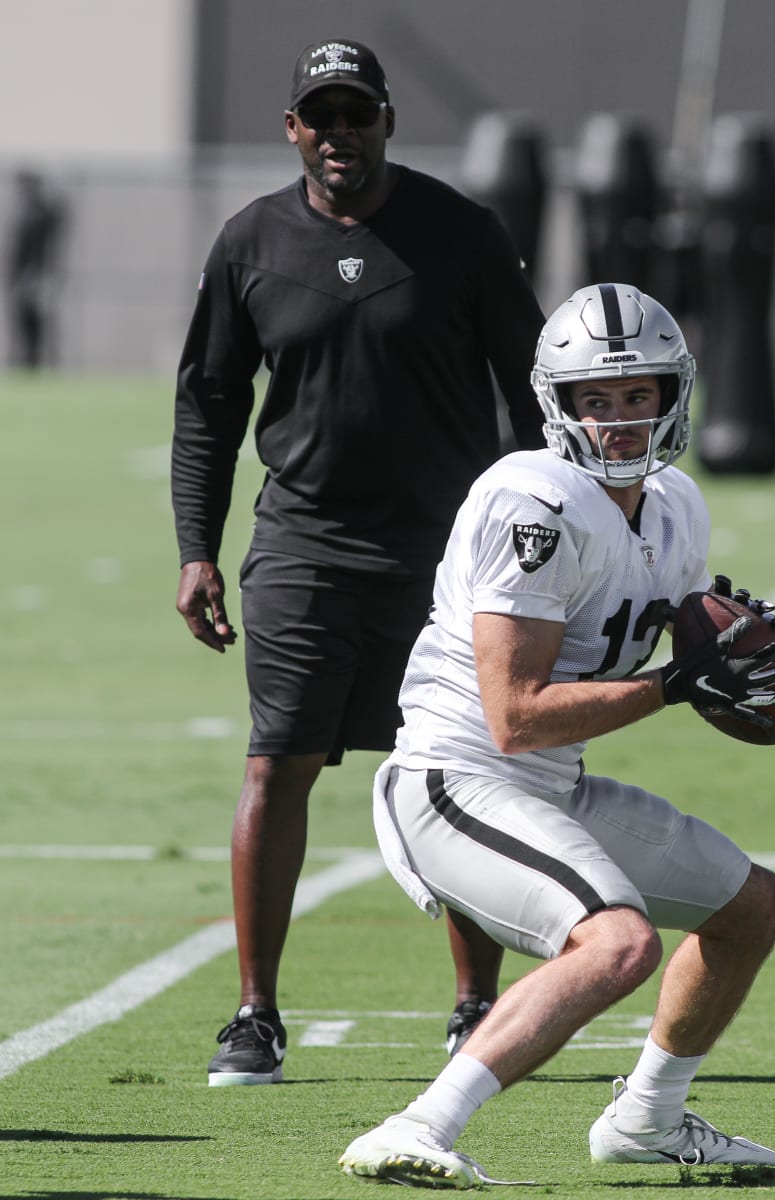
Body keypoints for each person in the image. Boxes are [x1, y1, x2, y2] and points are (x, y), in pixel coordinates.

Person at [339, 283, 775, 1186]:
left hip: (551, 782)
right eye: (597, 400)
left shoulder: (675, 506)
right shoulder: (533, 502)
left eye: (638, 397)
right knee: (618, 943)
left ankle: (648, 1119)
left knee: (751, 907)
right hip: (453, 780)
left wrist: (727, 645)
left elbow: (693, 667)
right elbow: (514, 717)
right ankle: (420, 1122)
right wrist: (674, 683)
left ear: (672, 395)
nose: (620, 422)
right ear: (560, 403)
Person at [171, 38, 545, 1087]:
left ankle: (476, 1004)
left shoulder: (462, 234)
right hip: (303, 545)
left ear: (387, 121)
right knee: (275, 762)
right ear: (292, 128)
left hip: (447, 553)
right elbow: (207, 406)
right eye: (318, 116)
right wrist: (197, 548)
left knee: (461, 766)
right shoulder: (250, 242)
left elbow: (531, 394)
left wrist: (537, 533)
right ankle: (255, 1014)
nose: (339, 134)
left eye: (357, 114)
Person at [5, 169, 66, 368]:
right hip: (22, 280)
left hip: (37, 278)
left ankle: (42, 367)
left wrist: (43, 277)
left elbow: (58, 217)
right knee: (22, 327)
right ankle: (25, 366)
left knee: (40, 328)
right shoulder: (22, 216)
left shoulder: (42, 214)